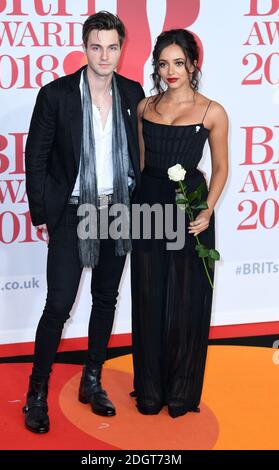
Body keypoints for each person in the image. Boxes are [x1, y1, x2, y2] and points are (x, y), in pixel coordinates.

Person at [24, 11, 144, 433]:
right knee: (58, 305)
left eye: (112, 47)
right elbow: (35, 157)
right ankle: (36, 393)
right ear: (84, 47)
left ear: (120, 49)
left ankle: (91, 381)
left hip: (118, 210)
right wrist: (45, 215)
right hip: (73, 212)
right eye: (97, 46)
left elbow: (140, 155)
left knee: (106, 298)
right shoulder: (56, 95)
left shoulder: (132, 92)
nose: (105, 55)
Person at [131, 29, 228, 418]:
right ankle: (150, 389)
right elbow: (139, 165)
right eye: (163, 63)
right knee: (149, 296)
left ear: (193, 65)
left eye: (178, 63)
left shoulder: (212, 112)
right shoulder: (143, 108)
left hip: (191, 211)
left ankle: (183, 391)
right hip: (147, 207)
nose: (170, 71)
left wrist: (207, 209)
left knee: (187, 300)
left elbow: (220, 167)